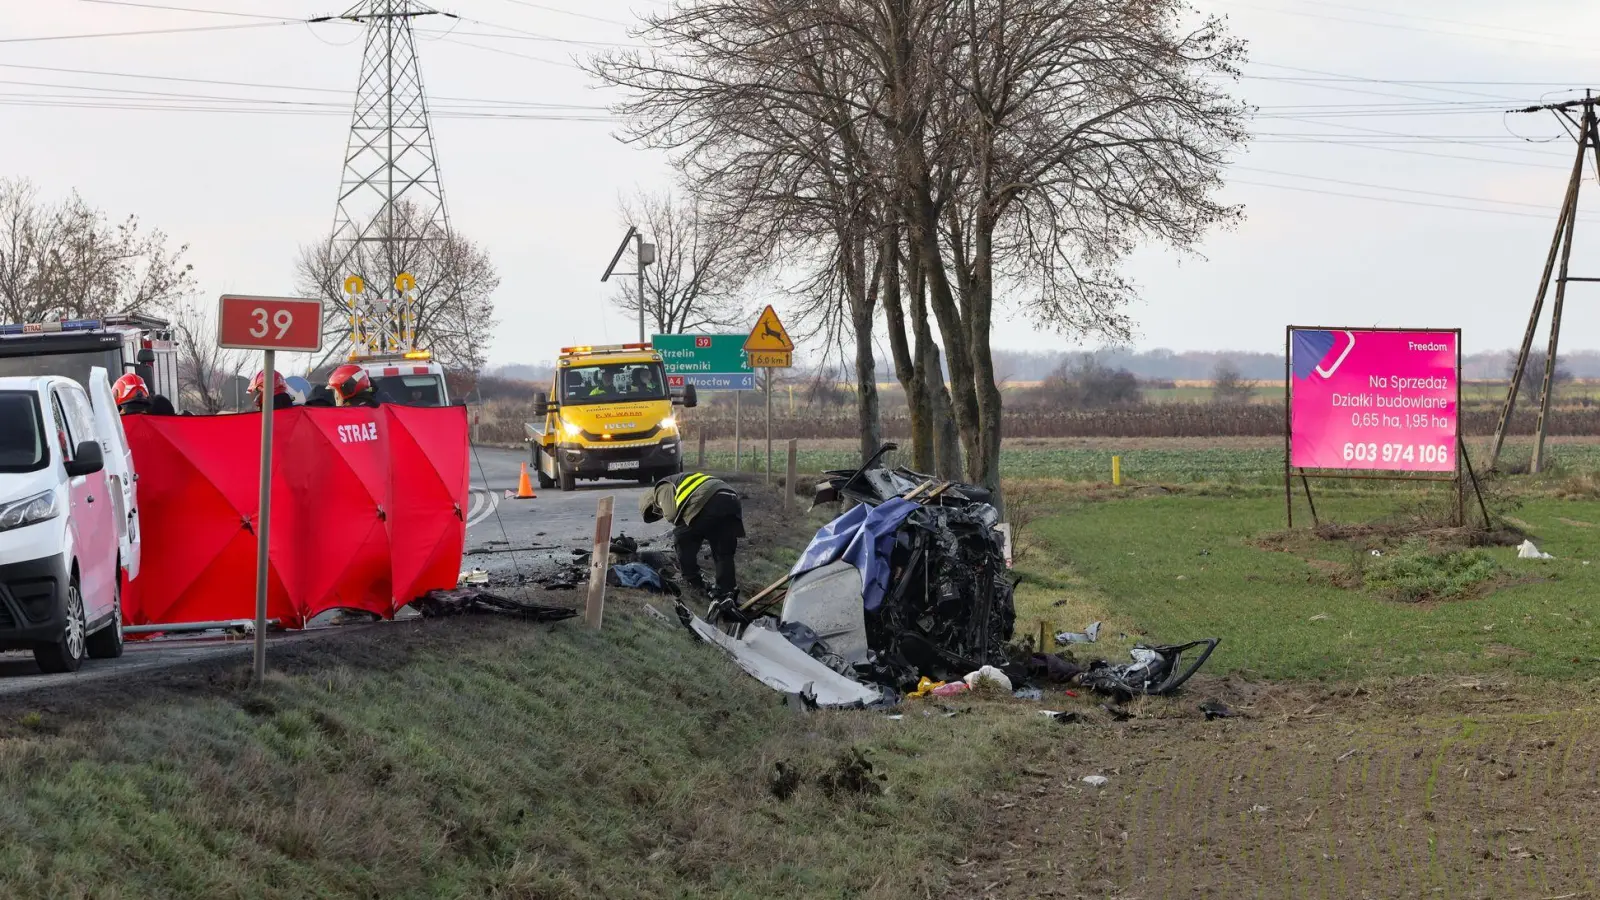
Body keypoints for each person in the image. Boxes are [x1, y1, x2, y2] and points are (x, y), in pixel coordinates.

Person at [640, 471, 745, 600]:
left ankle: (692, 581)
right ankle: (726, 593)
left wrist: (686, 529)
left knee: (682, 538)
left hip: (710, 500)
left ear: (650, 502)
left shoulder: (661, 488)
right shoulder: (680, 481)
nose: (659, 514)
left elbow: (672, 515)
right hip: (730, 499)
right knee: (723, 553)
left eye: (656, 512)